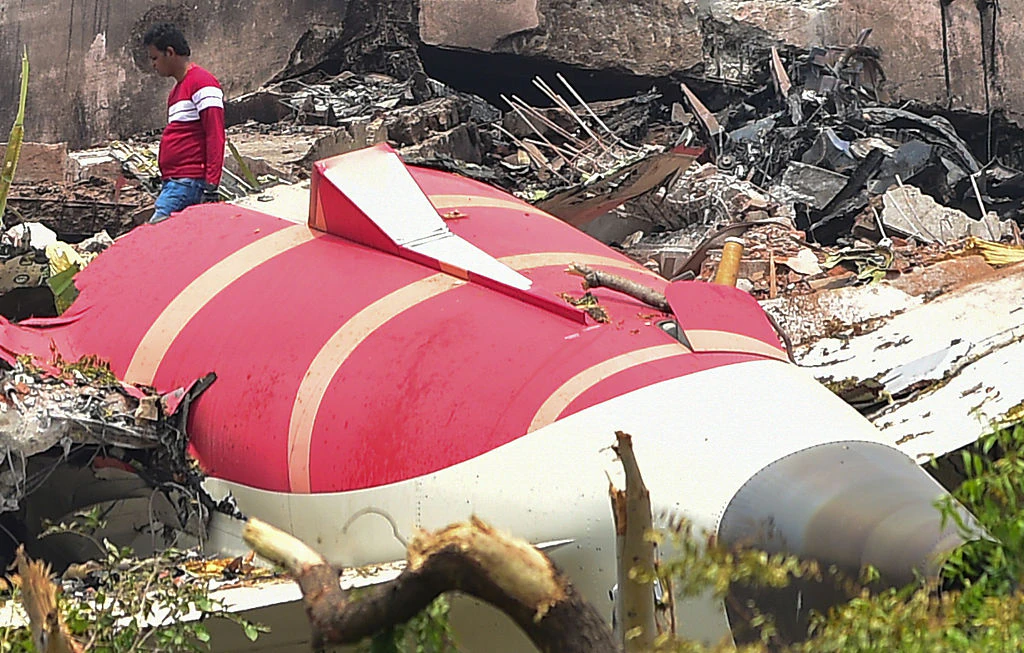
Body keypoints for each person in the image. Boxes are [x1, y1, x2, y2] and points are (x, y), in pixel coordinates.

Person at [143, 23, 225, 224]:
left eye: (155, 58)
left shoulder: (202, 83)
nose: (153, 65)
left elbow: (215, 134)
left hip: (188, 182)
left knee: (157, 231)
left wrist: (211, 184)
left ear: (170, 52)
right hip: (175, 181)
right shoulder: (176, 92)